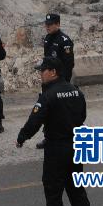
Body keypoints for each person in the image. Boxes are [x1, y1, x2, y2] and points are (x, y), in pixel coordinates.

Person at [16, 56, 90, 206]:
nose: (40, 74)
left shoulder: (48, 95)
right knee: (76, 190)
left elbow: (35, 121)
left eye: (43, 70)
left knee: (53, 192)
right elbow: (82, 116)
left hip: (56, 148)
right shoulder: (76, 91)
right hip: (76, 145)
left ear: (53, 72)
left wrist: (22, 137)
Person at [37, 12, 75, 149]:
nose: (47, 27)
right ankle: (48, 137)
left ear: (58, 24)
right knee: (48, 111)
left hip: (60, 82)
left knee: (62, 111)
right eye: (46, 25)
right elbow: (47, 60)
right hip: (48, 82)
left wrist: (63, 82)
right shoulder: (47, 39)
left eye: (50, 25)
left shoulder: (65, 41)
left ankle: (68, 136)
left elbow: (69, 64)